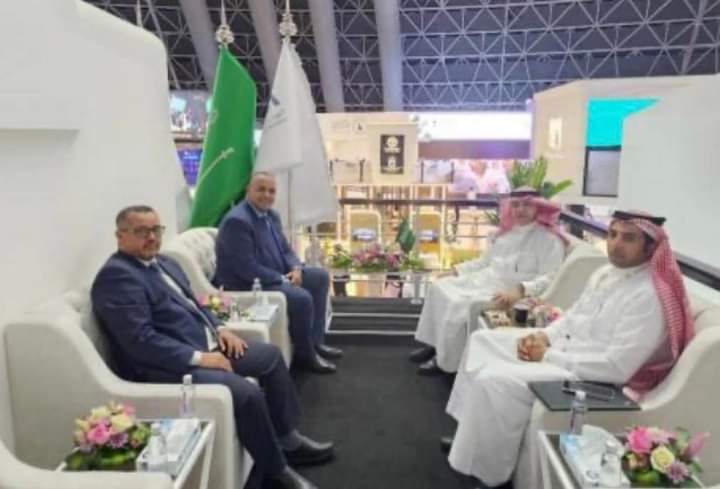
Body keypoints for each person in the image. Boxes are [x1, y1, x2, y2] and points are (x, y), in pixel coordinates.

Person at [443, 211, 694, 487]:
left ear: (650, 247)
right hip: (563, 350)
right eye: (612, 235)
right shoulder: (605, 273)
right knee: (483, 340)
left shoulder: (650, 296)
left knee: (494, 381)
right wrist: (543, 335)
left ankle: (489, 475)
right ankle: (468, 432)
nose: (616, 244)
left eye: (628, 238)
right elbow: (573, 316)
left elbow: (617, 367)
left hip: (590, 377)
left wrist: (547, 354)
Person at [92, 206, 335, 489]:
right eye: (141, 231)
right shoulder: (117, 277)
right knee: (245, 393)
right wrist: (200, 358)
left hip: (205, 344)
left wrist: (220, 329)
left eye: (155, 230)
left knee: (269, 356)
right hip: (166, 366)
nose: (152, 237)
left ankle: (288, 439)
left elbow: (195, 303)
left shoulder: (165, 263)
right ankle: (276, 472)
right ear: (120, 236)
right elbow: (141, 342)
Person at [411, 188, 567, 375]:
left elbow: (550, 277)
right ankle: (435, 345)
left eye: (526, 205)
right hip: (485, 279)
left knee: (458, 305)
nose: (520, 209)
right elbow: (484, 262)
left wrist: (520, 289)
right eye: (515, 205)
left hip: (508, 291)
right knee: (438, 287)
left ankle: (444, 361)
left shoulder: (549, 239)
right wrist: (455, 271)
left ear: (537, 207)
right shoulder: (505, 233)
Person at [214, 172, 341, 374]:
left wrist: (296, 269)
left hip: (276, 274)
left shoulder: (271, 216)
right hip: (249, 284)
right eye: (261, 190)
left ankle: (316, 343)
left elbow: (286, 249)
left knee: (320, 277)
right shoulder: (237, 222)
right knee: (301, 298)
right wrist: (283, 279)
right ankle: (305, 355)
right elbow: (246, 268)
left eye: (271, 191)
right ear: (248, 190)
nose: (267, 195)